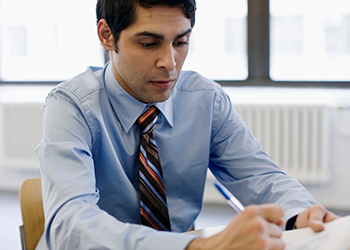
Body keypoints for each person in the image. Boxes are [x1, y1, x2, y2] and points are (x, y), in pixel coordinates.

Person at [35, 0, 338, 249]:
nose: (170, 62)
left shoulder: (205, 99)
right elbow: (70, 225)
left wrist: (301, 213)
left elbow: (261, 177)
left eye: (181, 41)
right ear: (107, 36)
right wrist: (193, 247)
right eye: (149, 43)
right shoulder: (71, 106)